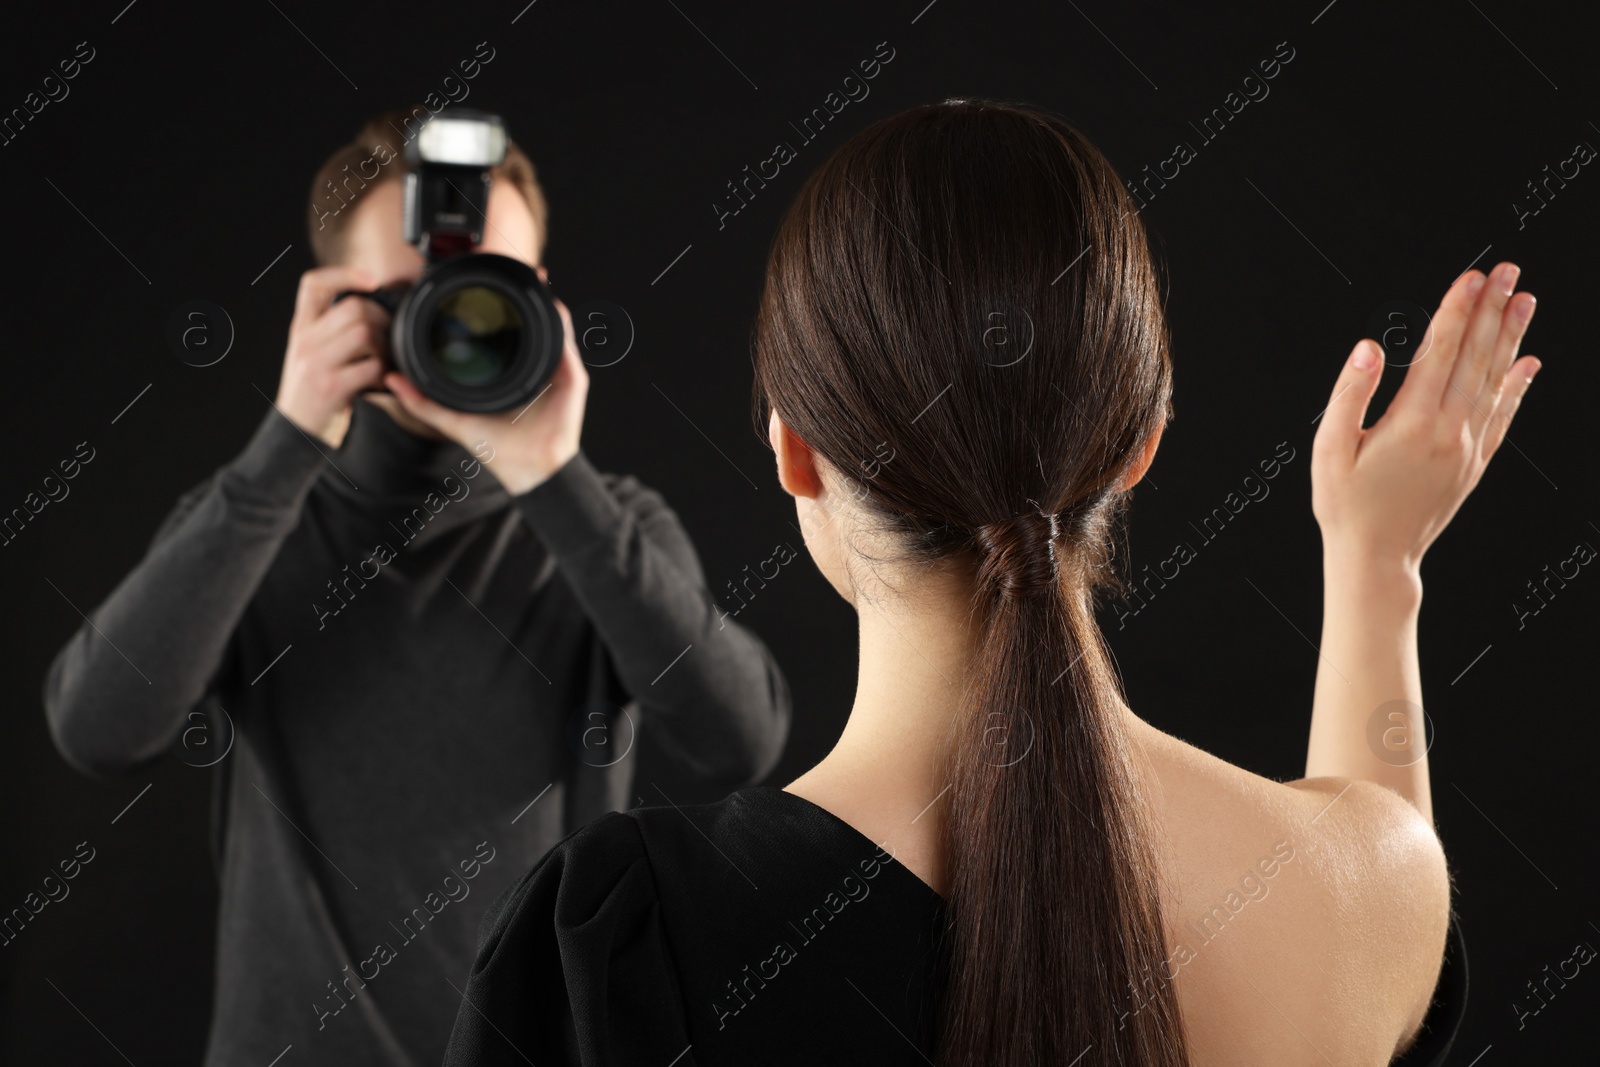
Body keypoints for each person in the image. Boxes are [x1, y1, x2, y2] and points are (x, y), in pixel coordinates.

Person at [440, 98, 1539, 1066]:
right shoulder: (1369, 892)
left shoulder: (635, 936)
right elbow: (1381, 855)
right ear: (1138, 449)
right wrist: (1376, 565)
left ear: (793, 451)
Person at [41, 104, 791, 1067]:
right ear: (330, 304)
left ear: (542, 303)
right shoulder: (251, 521)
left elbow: (739, 742)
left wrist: (552, 479)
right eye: (410, 296)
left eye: (485, 290)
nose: (452, 324)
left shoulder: (609, 526)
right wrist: (287, 440)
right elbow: (96, 728)